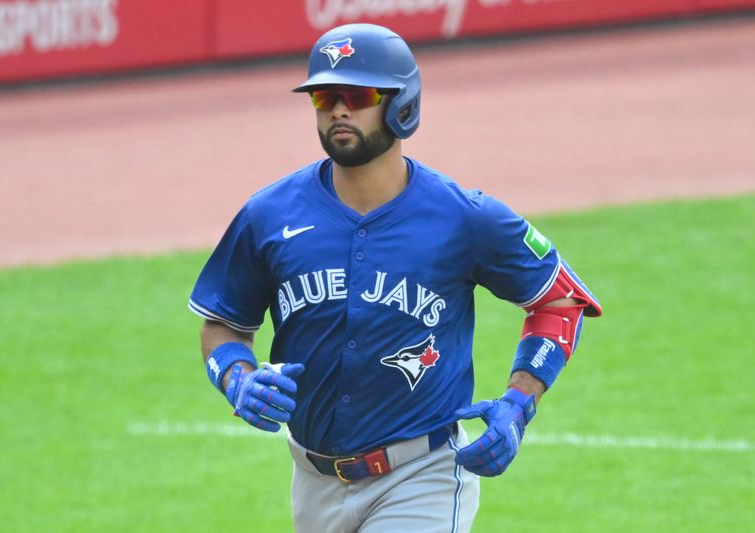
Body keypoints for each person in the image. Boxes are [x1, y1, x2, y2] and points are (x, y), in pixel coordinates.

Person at [189, 23, 602, 533]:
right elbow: (224, 325)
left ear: (402, 103)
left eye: (357, 94)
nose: (339, 109)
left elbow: (559, 301)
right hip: (312, 481)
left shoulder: (464, 218)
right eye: (324, 96)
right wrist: (238, 378)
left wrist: (519, 403)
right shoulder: (268, 215)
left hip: (420, 478)